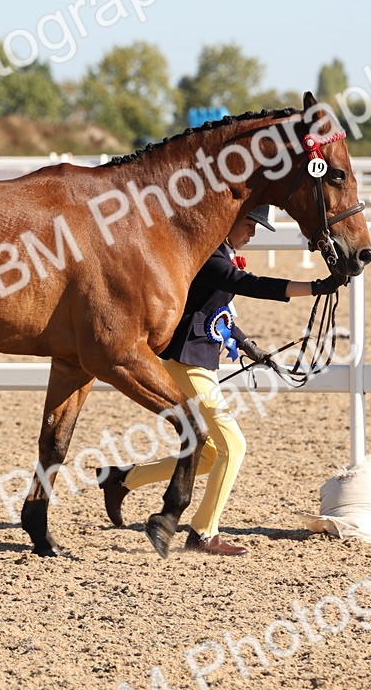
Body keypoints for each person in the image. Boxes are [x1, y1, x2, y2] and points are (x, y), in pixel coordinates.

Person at [95, 206, 345, 556]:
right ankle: (203, 532)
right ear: (228, 222)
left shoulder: (222, 255)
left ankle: (122, 478)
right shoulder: (210, 257)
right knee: (235, 445)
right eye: (249, 225)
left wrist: (247, 345)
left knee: (211, 454)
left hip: (199, 363)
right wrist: (315, 287)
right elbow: (248, 284)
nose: (253, 234)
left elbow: (214, 314)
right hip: (186, 363)